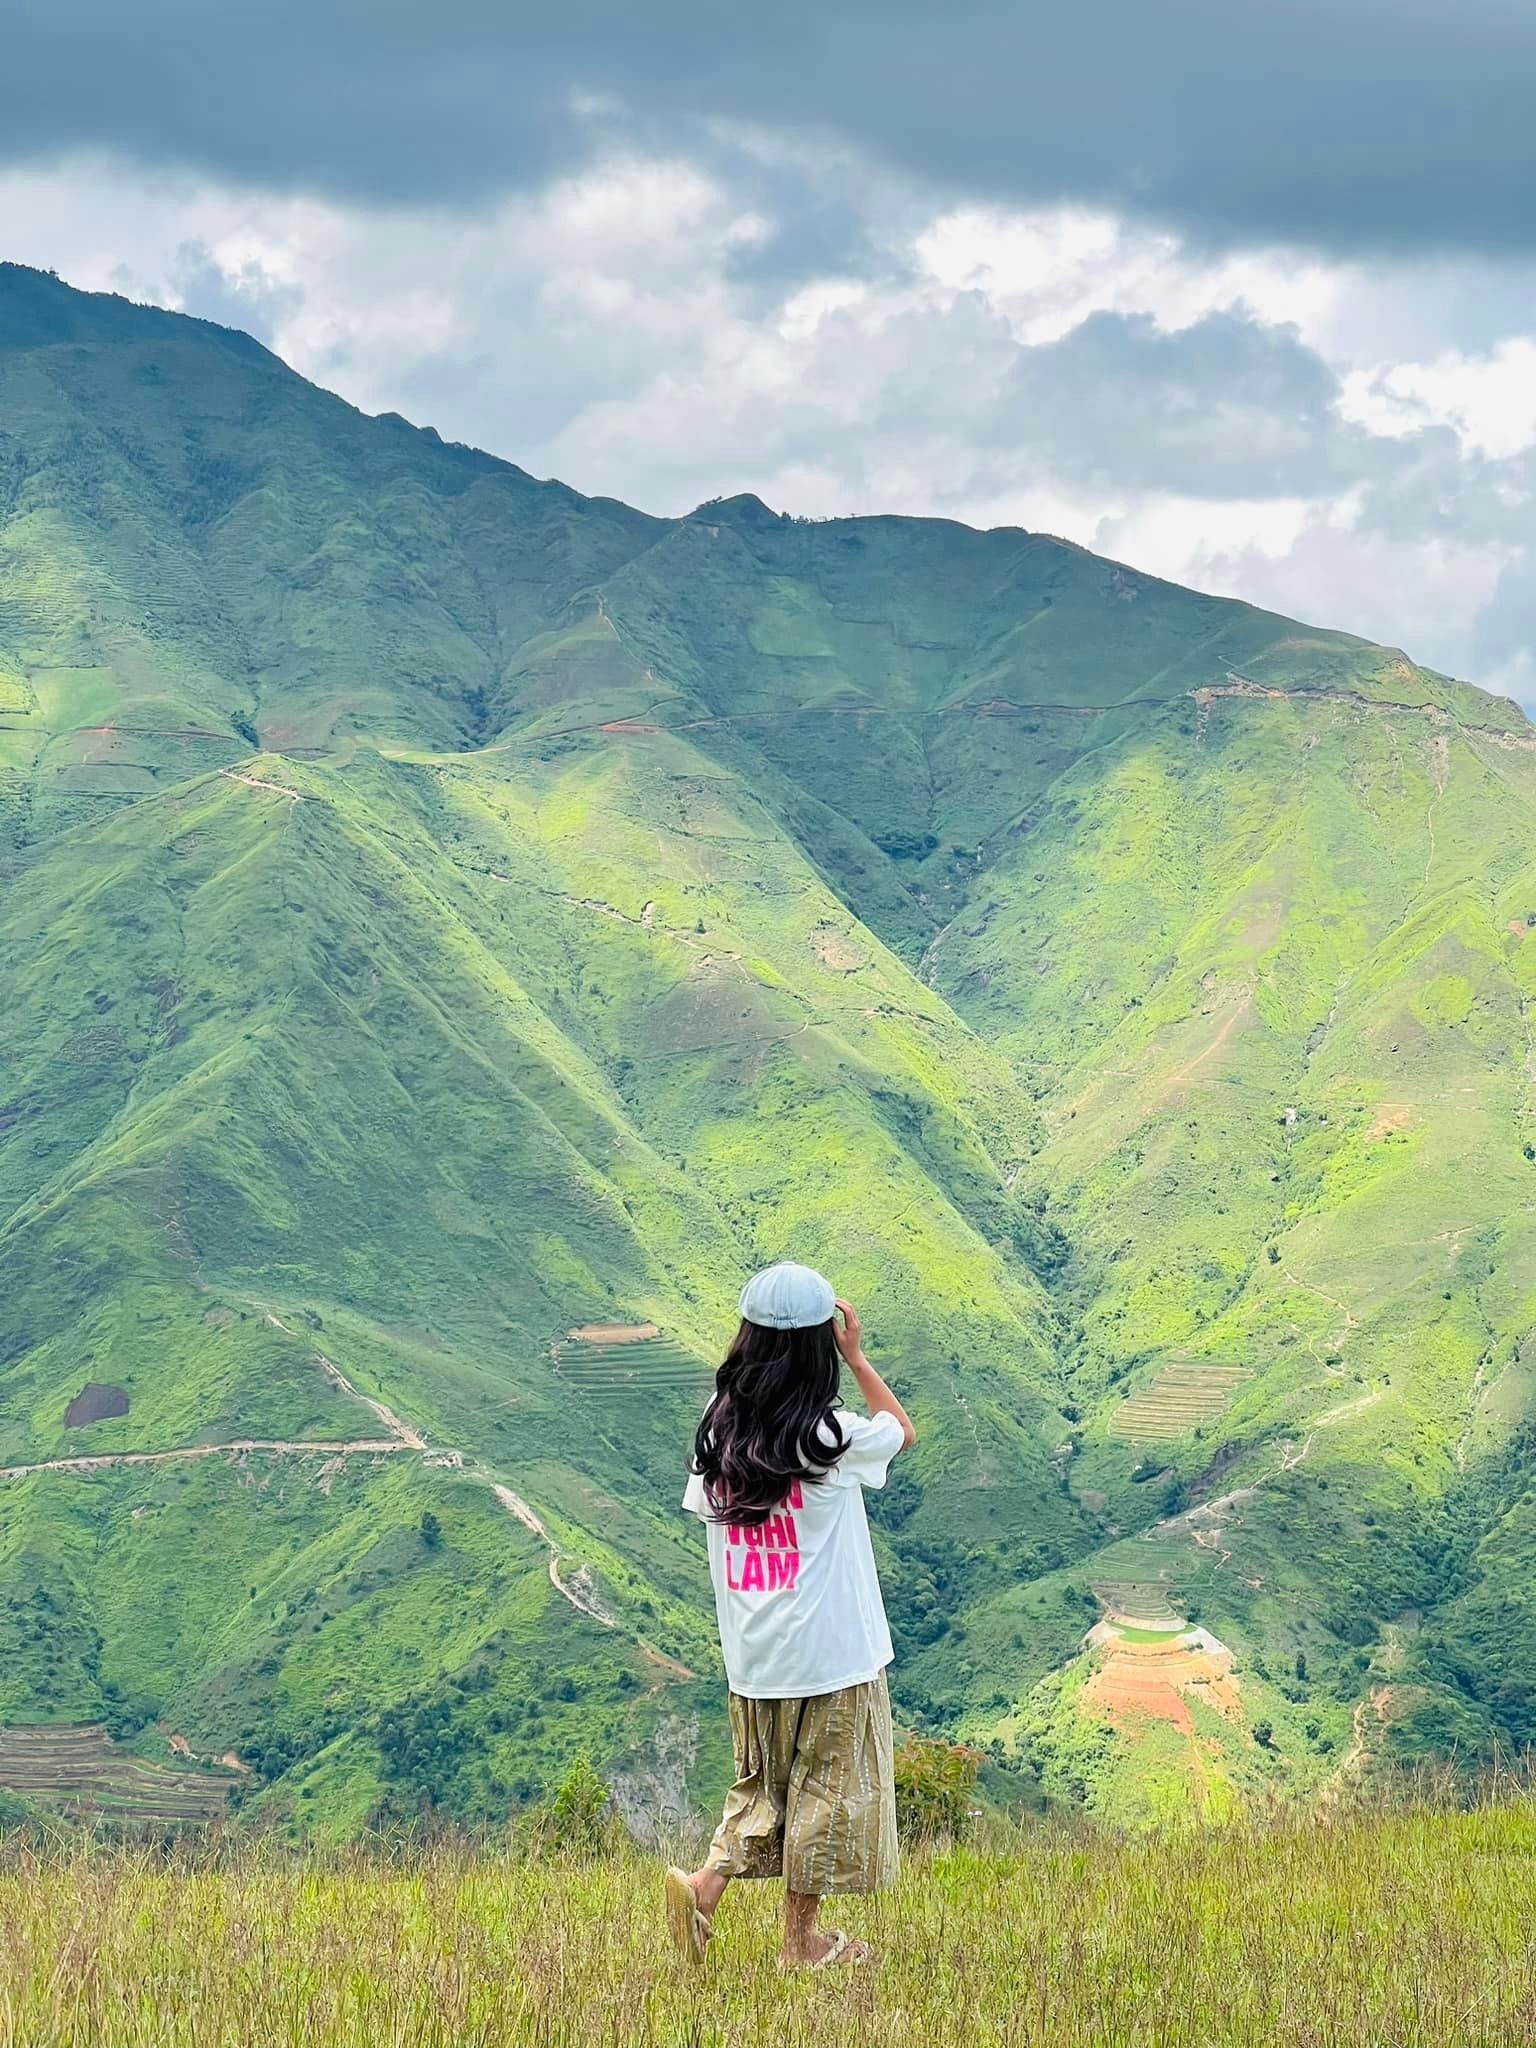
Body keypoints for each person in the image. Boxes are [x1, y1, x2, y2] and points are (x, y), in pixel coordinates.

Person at [665, 1261, 916, 1970]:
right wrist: (859, 1358)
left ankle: (702, 1890)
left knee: (763, 1790)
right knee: (825, 1800)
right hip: (834, 1656)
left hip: (755, 1657)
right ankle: (799, 1945)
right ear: (817, 1348)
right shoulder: (831, 1439)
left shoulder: (714, 1442)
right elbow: (903, 1430)